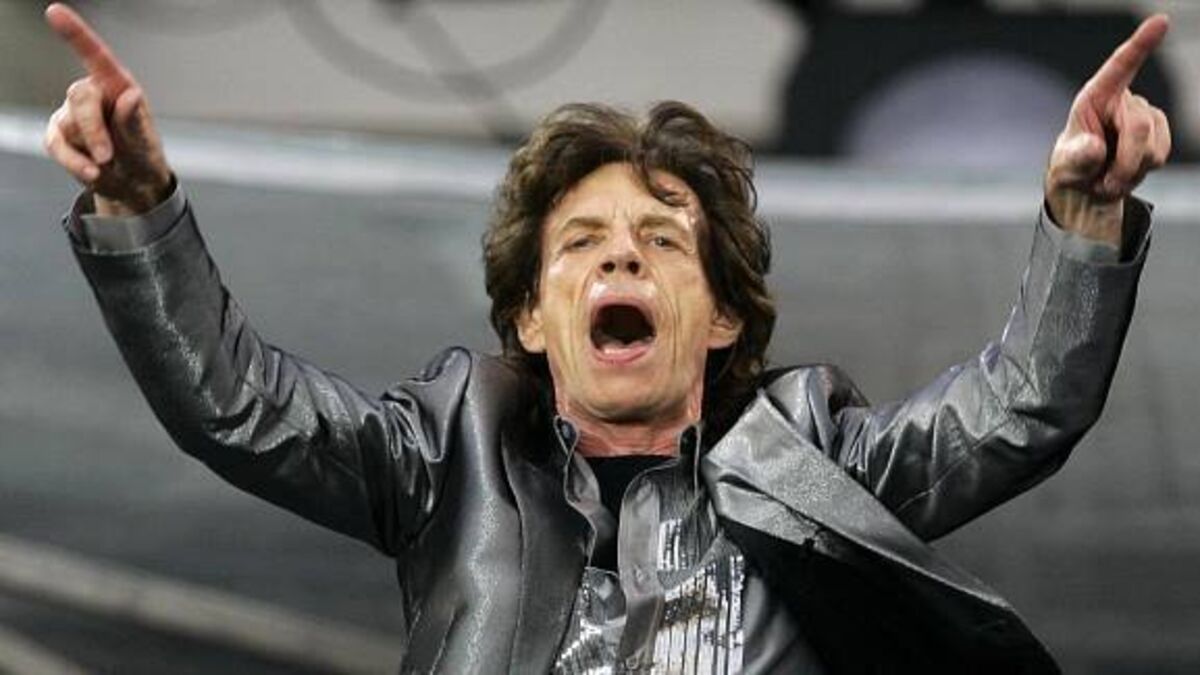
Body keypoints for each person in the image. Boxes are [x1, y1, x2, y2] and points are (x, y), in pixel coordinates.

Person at [42, 3, 1170, 672]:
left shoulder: (817, 453)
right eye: (581, 242)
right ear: (533, 318)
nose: (621, 258)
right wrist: (139, 208)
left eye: (662, 240)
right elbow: (239, 406)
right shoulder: (449, 454)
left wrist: (1086, 215)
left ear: (720, 316)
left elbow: (1022, 407)